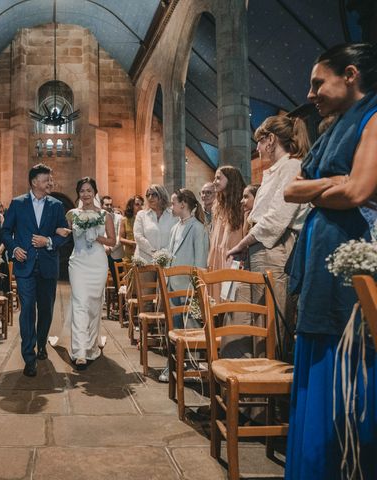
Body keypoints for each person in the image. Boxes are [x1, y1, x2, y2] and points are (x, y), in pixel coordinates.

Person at [283, 43, 377, 479]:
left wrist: (333, 185)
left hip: (353, 261)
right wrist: (334, 181)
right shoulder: (330, 130)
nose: (312, 91)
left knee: (344, 360)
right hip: (324, 260)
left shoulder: (373, 118)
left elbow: (358, 193)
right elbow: (290, 190)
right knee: (315, 353)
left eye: (319, 82)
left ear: (351, 75)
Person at [226, 116, 310, 359]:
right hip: (261, 247)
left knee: (271, 318)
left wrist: (244, 242)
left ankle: (269, 385)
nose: (258, 148)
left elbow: (277, 217)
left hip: (277, 248)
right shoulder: (275, 170)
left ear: (271, 139)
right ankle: (251, 382)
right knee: (253, 315)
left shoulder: (292, 166)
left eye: (260, 142)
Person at [2, 163, 68, 377]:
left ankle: (41, 345)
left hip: (48, 265)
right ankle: (28, 356)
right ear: (34, 182)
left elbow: (63, 235)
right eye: (46, 179)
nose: (51, 182)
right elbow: (5, 232)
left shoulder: (57, 205)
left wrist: (48, 241)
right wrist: (15, 248)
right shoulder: (18, 204)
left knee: (47, 310)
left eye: (51, 179)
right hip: (25, 266)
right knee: (28, 308)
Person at [158, 188, 209, 382]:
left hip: (187, 285)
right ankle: (174, 364)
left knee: (190, 327)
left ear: (183, 204)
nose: (171, 206)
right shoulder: (175, 227)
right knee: (174, 328)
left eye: (173, 203)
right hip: (172, 284)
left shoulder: (197, 228)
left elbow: (200, 263)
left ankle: (192, 366)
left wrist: (197, 289)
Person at [64, 178, 116, 369]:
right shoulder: (72, 214)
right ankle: (79, 351)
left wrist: (97, 237)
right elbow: (68, 234)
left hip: (97, 263)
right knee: (80, 303)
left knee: (94, 306)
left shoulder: (105, 215)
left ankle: (91, 346)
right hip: (78, 262)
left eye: (89, 190)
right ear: (78, 194)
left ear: (95, 192)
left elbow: (112, 241)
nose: (85, 194)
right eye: (82, 191)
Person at [207, 166, 246, 300]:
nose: (214, 181)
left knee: (231, 300)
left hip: (232, 257)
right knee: (216, 302)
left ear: (231, 180)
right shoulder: (218, 205)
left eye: (218, 178)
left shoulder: (241, 205)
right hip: (217, 257)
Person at [133, 184, 176, 264]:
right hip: (144, 261)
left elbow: (175, 237)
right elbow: (138, 236)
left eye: (154, 194)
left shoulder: (173, 215)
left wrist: (163, 255)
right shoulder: (141, 215)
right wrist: (155, 253)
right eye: (148, 195)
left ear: (162, 195)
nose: (150, 198)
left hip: (166, 261)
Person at [101, 195, 123, 302]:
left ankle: (121, 306)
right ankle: (104, 301)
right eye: (106, 204)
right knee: (101, 279)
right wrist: (105, 248)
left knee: (117, 281)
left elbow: (120, 236)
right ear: (102, 205)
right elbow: (100, 234)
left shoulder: (119, 218)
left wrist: (110, 249)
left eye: (110, 204)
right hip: (102, 252)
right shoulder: (99, 218)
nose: (109, 206)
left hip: (116, 253)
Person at [119, 195, 144, 260]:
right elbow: (121, 239)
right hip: (129, 256)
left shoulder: (145, 219)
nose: (140, 207)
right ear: (131, 206)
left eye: (142, 204)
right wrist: (133, 243)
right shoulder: (124, 220)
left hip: (143, 255)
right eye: (137, 204)